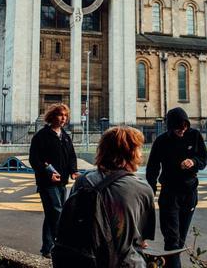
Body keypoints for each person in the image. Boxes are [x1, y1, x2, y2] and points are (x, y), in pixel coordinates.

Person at [54, 126, 155, 268]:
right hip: (123, 263)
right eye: (138, 149)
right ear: (130, 153)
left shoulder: (83, 181)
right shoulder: (142, 189)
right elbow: (142, 240)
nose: (140, 154)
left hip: (83, 260)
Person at [146, 107, 207, 268]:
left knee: (179, 240)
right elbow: (152, 167)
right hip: (170, 194)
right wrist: (151, 190)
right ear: (170, 127)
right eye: (178, 129)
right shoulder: (161, 141)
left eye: (185, 127)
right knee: (172, 240)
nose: (182, 131)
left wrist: (193, 162)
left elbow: (203, 159)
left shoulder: (194, 135)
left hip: (189, 192)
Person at [29, 103, 78, 258]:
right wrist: (46, 173)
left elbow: (71, 155)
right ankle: (60, 243)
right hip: (47, 182)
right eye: (60, 115)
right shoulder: (41, 136)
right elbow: (34, 159)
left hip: (62, 181)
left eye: (65, 115)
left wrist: (73, 170)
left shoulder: (65, 136)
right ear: (52, 116)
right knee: (57, 210)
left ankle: (47, 248)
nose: (63, 118)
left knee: (52, 214)